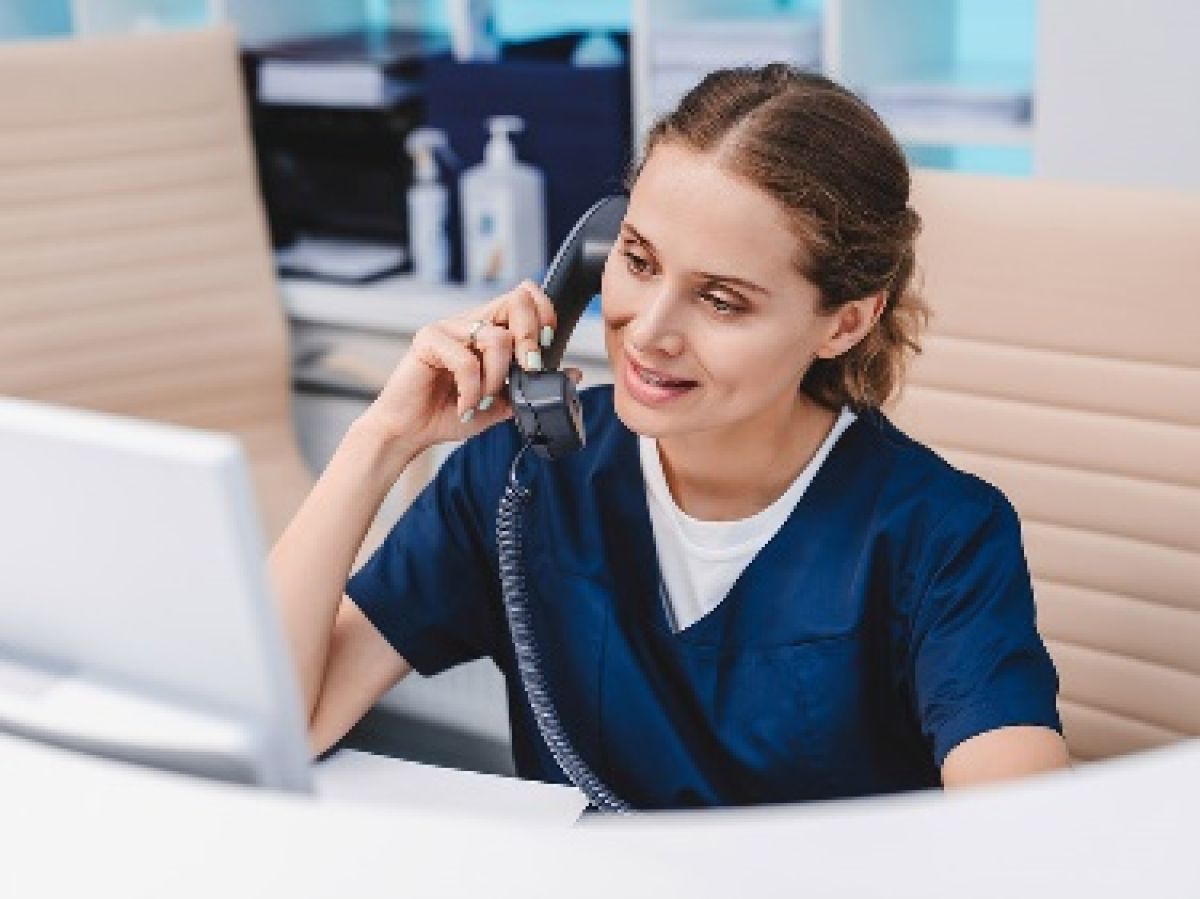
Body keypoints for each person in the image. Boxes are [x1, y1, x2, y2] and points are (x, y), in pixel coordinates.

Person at [270, 65, 1070, 809]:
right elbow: (282, 718)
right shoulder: (518, 483)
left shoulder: (942, 536)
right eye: (639, 261)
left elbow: (1025, 847)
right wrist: (382, 438)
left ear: (846, 320)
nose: (649, 333)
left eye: (721, 300)